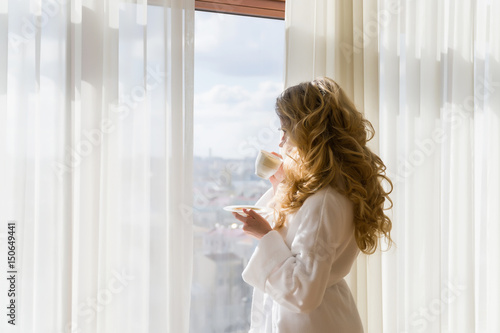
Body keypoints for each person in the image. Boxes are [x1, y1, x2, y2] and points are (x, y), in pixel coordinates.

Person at [232, 77, 393, 332]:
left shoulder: (325, 201)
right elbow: (298, 244)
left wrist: (265, 235)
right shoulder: (328, 191)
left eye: (285, 132)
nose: (281, 143)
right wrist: (281, 187)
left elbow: (303, 293)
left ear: (308, 133)